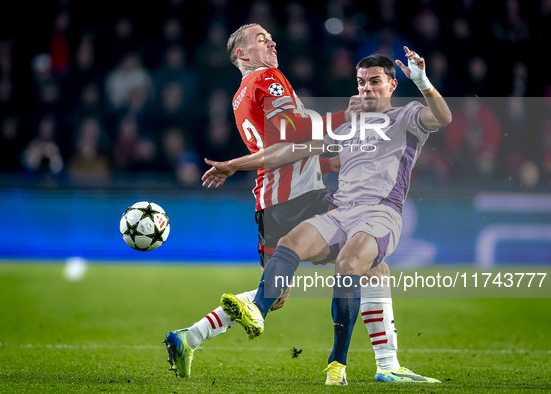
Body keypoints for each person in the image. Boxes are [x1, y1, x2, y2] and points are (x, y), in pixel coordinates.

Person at [217, 48, 451, 385]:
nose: (366, 88)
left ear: (392, 85)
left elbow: (442, 118)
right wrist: (235, 165)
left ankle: (337, 364)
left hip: (381, 213)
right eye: (361, 83)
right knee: (290, 241)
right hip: (341, 210)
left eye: (374, 82)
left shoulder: (407, 117)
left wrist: (423, 81)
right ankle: (259, 310)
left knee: (348, 263)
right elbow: (292, 150)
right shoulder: (347, 125)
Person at [162, 23, 363, 378]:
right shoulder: (269, 77)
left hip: (271, 203)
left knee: (275, 294)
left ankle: (188, 338)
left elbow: (287, 147)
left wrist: (330, 160)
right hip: (299, 197)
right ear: (241, 54)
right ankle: (350, 365)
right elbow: (292, 138)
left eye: (270, 37)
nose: (271, 41)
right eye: (260, 39)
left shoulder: (240, 96)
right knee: (363, 255)